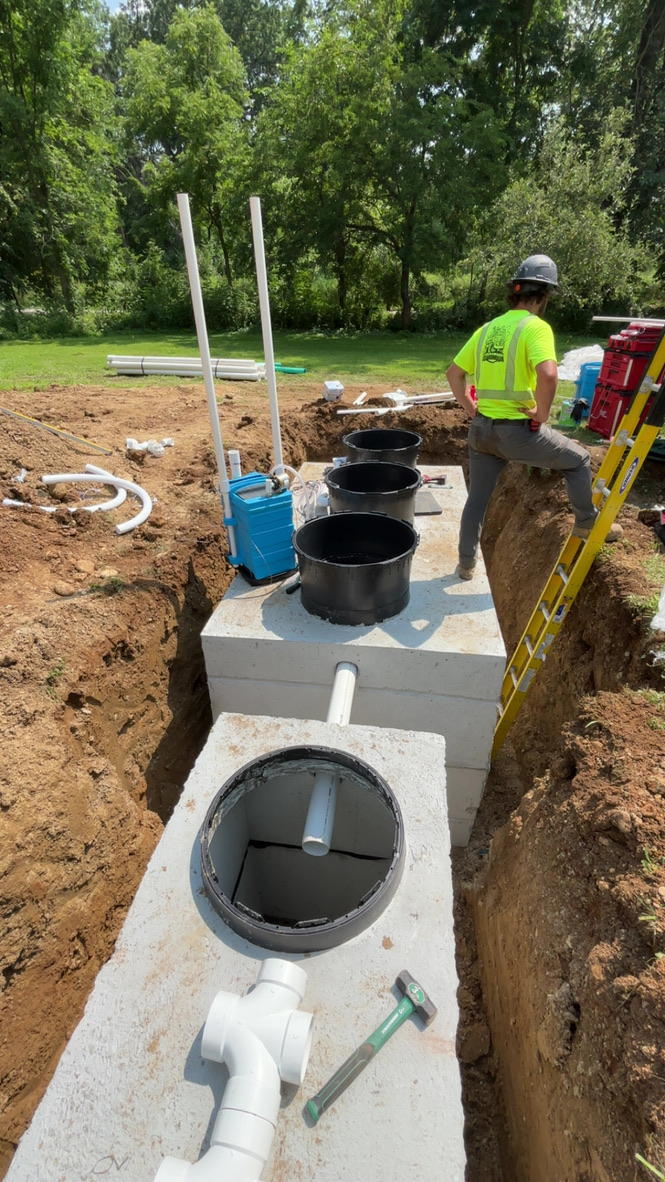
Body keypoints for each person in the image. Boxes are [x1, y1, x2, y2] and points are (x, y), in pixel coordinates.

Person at [446, 254, 621, 580]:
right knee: (579, 460)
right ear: (543, 296)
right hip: (517, 433)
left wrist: (471, 409)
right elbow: (550, 375)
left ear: (515, 292)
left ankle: (466, 564)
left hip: (481, 431)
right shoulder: (535, 328)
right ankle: (586, 524)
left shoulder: (487, 329)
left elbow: (454, 373)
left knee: (477, 500)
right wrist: (541, 413)